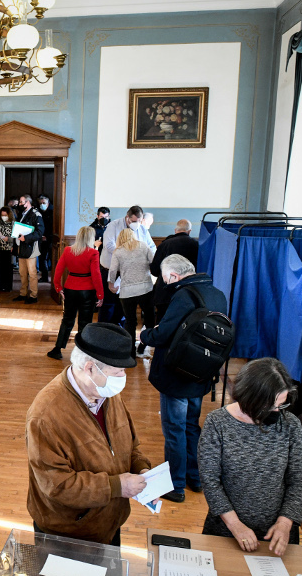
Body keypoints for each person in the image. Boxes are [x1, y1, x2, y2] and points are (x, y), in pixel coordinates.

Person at [26, 323, 152, 544]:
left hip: (108, 522)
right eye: (118, 371)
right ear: (90, 368)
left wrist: (142, 469)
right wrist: (117, 486)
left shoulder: (107, 393)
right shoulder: (45, 415)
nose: (123, 378)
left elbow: (129, 444)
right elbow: (57, 485)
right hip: (68, 532)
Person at [198, 358, 302, 556]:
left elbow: (299, 480)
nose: (277, 412)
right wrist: (235, 525)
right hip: (226, 533)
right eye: (271, 406)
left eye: (281, 405)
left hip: (277, 537)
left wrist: (285, 523)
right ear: (251, 398)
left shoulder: (290, 424)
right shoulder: (217, 423)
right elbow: (210, 481)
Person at [140, 255, 227, 502]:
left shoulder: (183, 295)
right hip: (201, 371)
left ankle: (175, 486)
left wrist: (145, 334)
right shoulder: (217, 294)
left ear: (174, 276)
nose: (166, 283)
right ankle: (195, 477)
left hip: (177, 373)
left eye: (166, 279)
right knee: (191, 425)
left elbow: (163, 333)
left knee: (175, 429)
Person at [48, 226, 103, 361]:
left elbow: (58, 271)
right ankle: (82, 352)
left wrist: (58, 288)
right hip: (87, 291)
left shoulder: (68, 250)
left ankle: (57, 349)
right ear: (91, 238)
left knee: (67, 320)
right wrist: (100, 295)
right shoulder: (93, 253)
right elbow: (96, 275)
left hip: (70, 289)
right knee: (85, 322)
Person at [100, 206, 154, 324]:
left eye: (139, 221)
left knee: (123, 305)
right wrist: (128, 254)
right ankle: (104, 330)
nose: (136, 224)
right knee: (109, 304)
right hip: (109, 268)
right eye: (134, 221)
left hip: (130, 273)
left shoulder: (143, 229)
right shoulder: (113, 225)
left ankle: (119, 331)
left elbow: (151, 246)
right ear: (127, 217)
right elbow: (109, 245)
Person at [108, 229, 155, 356]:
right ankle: (143, 344)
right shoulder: (143, 246)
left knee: (130, 321)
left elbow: (112, 270)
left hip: (127, 291)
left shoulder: (118, 251)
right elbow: (153, 262)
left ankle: (131, 352)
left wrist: (110, 283)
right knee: (150, 319)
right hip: (145, 289)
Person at [150, 220, 199, 321]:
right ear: (189, 231)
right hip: (188, 292)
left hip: (164, 292)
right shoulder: (196, 245)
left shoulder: (164, 244)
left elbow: (154, 270)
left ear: (175, 230)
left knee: (162, 322)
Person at [13, 195, 45, 304]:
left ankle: (33, 295)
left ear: (28, 202)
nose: (20, 204)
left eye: (22, 202)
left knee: (32, 273)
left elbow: (40, 232)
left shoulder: (36, 215)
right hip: (21, 247)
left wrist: (26, 238)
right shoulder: (21, 214)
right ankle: (23, 293)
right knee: (22, 272)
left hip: (31, 247)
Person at [0, 207, 14, 292]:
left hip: (8, 249)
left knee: (7, 269)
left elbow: (16, 237)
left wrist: (8, 239)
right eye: (2, 215)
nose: (3, 216)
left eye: (5, 215)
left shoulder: (13, 223)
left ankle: (7, 287)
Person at [37, 194, 54, 283]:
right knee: (42, 258)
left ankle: (54, 278)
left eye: (43, 203)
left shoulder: (53, 211)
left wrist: (47, 236)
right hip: (41, 238)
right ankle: (44, 277)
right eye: (40, 203)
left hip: (51, 239)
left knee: (52, 258)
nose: (42, 204)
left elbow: (53, 226)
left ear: (48, 203)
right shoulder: (39, 211)